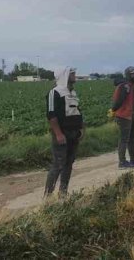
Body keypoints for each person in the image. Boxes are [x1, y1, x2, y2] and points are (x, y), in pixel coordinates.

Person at [45, 67, 83, 197]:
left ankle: (63, 193)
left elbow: (77, 111)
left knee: (69, 163)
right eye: (72, 73)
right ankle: (48, 196)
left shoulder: (72, 92)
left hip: (74, 134)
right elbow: (51, 115)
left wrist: (80, 129)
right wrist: (58, 134)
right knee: (58, 165)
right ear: (65, 75)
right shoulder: (54, 93)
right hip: (62, 134)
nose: (74, 75)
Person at [110, 66, 134, 169]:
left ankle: (133, 159)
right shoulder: (125, 86)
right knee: (124, 139)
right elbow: (119, 100)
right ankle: (122, 162)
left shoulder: (130, 85)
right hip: (123, 115)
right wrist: (113, 110)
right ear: (128, 75)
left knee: (131, 138)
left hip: (129, 115)